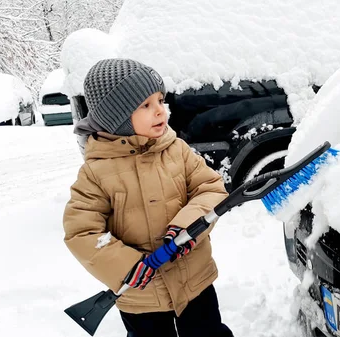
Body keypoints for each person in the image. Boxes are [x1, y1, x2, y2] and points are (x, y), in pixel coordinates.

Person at [63, 58, 233, 337]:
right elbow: (81, 232)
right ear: (115, 117)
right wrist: (126, 267)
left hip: (194, 280)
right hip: (141, 294)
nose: (160, 111)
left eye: (160, 101)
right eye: (145, 105)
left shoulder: (176, 150)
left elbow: (210, 189)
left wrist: (187, 228)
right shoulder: (96, 172)